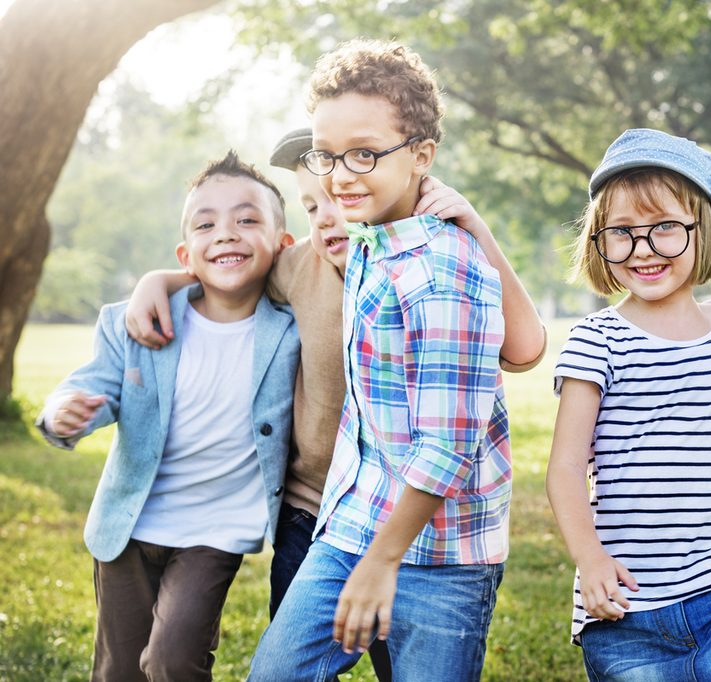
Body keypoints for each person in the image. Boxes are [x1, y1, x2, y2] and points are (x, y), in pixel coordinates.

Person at [125, 129, 546, 680]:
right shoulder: (299, 268)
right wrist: (160, 279)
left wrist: (476, 227)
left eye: (336, 200)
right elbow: (230, 269)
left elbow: (526, 348)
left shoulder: (430, 267)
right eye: (309, 206)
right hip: (316, 518)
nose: (325, 217)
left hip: (419, 520)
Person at [243, 39, 530, 680]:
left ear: (422, 156)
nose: (340, 175)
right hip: (353, 523)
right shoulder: (370, 241)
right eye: (328, 154)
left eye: (365, 154)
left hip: (440, 553)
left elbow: (448, 444)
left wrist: (382, 562)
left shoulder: (443, 268)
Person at [35, 152, 300, 682]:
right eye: (207, 224)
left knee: (173, 660)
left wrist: (164, 277)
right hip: (129, 524)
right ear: (187, 254)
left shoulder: (292, 331)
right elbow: (96, 384)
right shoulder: (134, 320)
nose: (226, 234)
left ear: (283, 245)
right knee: (119, 670)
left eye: (248, 220)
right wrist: (65, 411)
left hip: (216, 530)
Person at [546, 128, 711, 681]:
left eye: (665, 228)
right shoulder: (597, 340)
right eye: (621, 233)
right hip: (625, 602)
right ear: (598, 241)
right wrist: (590, 559)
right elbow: (567, 466)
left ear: (704, 229)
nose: (643, 249)